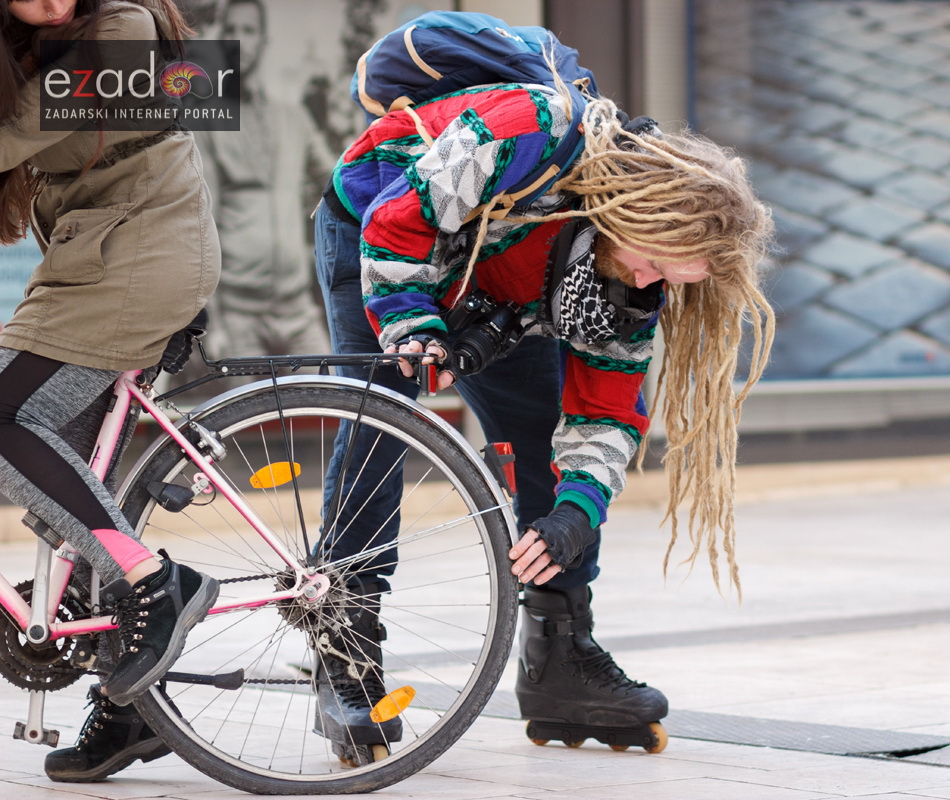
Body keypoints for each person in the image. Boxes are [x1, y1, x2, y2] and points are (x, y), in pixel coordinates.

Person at [311, 32, 776, 749]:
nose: (649, 283)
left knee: (538, 438)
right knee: (385, 417)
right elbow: (398, 223)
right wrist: (414, 327)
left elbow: (606, 414)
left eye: (669, 280)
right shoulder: (529, 129)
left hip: (509, 278)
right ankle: (343, 647)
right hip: (380, 230)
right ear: (635, 213)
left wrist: (575, 514)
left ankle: (561, 660)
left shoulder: (629, 280)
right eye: (654, 263)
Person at [0, 0, 220, 782]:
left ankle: (157, 582)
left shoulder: (122, 26)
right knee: (73, 486)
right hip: (93, 258)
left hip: (140, 257)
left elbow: (13, 134)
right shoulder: (32, 45)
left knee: (5, 419)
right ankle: (131, 708)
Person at [193, 0, 332, 363]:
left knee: (330, 391)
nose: (240, 39)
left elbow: (337, 181)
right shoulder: (206, 120)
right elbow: (203, 222)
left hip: (297, 307)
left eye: (249, 31)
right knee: (247, 403)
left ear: (263, 41)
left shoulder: (292, 116)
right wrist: (215, 320)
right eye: (231, 31)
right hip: (238, 315)